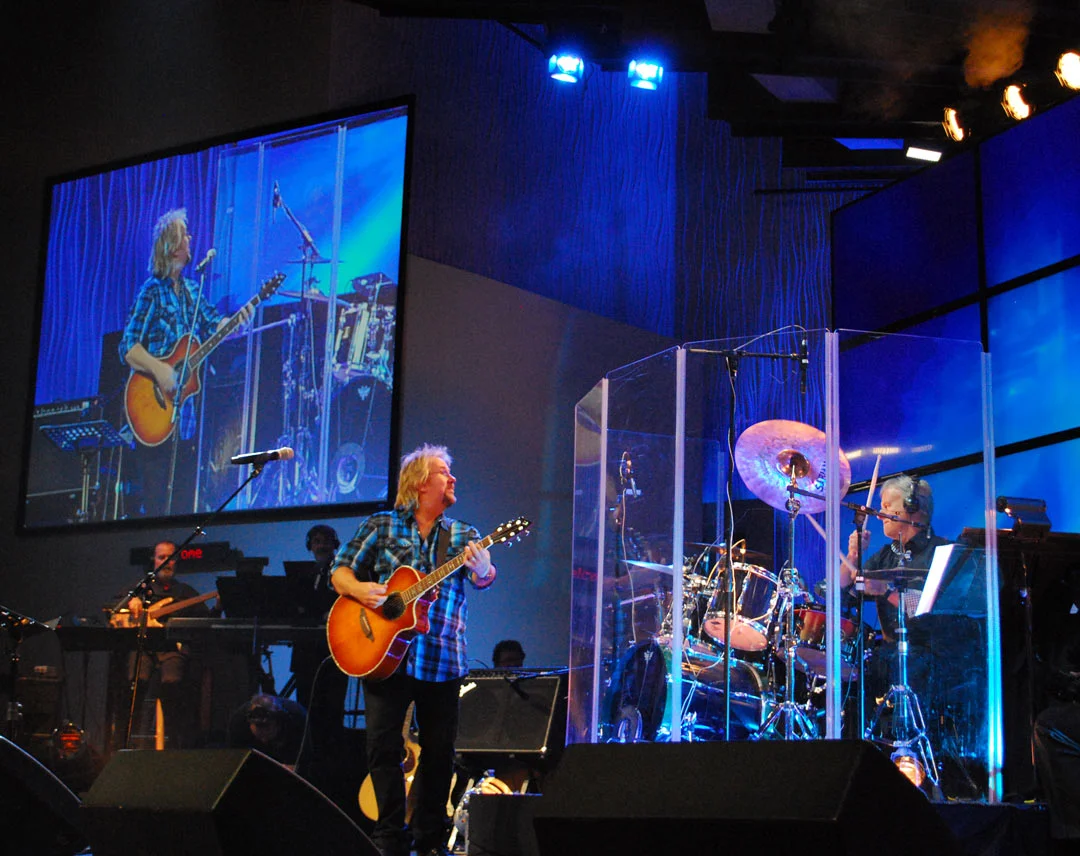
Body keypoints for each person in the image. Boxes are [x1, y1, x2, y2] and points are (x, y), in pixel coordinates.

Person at [331, 444, 497, 856]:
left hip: (442, 656)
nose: (453, 478)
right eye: (444, 472)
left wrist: (484, 569)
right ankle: (388, 838)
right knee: (382, 748)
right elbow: (340, 571)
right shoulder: (382, 524)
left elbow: (484, 578)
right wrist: (362, 591)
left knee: (439, 754)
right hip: (383, 654)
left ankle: (429, 842)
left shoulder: (463, 534)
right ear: (421, 483)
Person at [118, 208, 249, 516]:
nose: (190, 239)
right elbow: (128, 347)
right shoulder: (152, 291)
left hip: (185, 422)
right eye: (185, 235)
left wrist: (236, 323)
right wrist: (160, 369)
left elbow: (215, 325)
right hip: (152, 413)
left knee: (182, 506)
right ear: (172, 245)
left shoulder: (192, 291)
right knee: (155, 505)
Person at [110, 540, 211, 748]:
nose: (166, 562)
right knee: (135, 683)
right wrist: (131, 601)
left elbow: (206, 619)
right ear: (154, 560)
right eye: (161, 557)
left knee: (172, 682)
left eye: (170, 558)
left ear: (177, 561)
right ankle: (126, 743)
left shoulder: (185, 592)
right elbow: (113, 607)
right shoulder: (141, 588)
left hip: (171, 648)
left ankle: (174, 744)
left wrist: (218, 607)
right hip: (143, 648)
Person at [289, 524, 349, 758]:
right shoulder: (304, 576)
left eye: (326, 541)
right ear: (310, 546)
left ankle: (331, 759)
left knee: (332, 710)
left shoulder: (344, 574)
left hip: (334, 652)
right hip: (306, 653)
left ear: (335, 545)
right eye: (316, 541)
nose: (321, 545)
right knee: (305, 707)